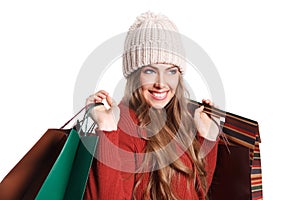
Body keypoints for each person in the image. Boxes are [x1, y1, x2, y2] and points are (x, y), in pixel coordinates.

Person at [84, 11, 220, 200]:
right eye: (150, 71)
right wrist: (107, 126)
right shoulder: (124, 126)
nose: (161, 83)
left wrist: (207, 136)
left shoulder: (182, 121)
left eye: (171, 71)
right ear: (134, 75)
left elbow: (197, 194)